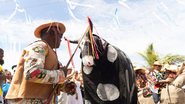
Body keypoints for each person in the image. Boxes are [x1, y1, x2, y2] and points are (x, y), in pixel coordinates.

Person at [5, 22, 73, 104]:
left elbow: (49, 81)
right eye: (60, 35)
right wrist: (61, 74)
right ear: (52, 32)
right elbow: (32, 73)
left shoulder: (51, 53)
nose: (61, 38)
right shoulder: (39, 46)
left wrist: (64, 86)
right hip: (27, 100)